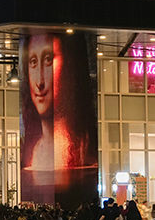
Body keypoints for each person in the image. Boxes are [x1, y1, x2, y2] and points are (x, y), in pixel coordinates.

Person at [18, 32, 97, 207]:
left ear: (70, 65)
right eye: (32, 62)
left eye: (48, 61)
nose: (39, 82)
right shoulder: (30, 152)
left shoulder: (86, 153)